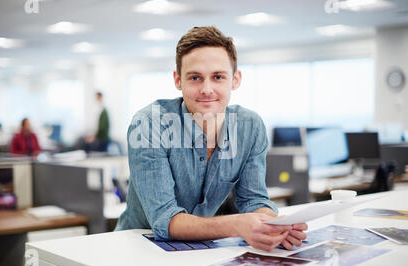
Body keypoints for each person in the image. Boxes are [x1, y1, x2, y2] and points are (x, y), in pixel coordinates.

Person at [115, 26, 307, 252]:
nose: (207, 89)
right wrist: (238, 224)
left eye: (217, 77)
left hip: (200, 248)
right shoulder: (150, 124)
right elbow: (164, 220)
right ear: (178, 80)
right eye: (195, 77)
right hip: (139, 248)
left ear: (235, 79)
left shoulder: (249, 126)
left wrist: (272, 225)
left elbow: (254, 200)